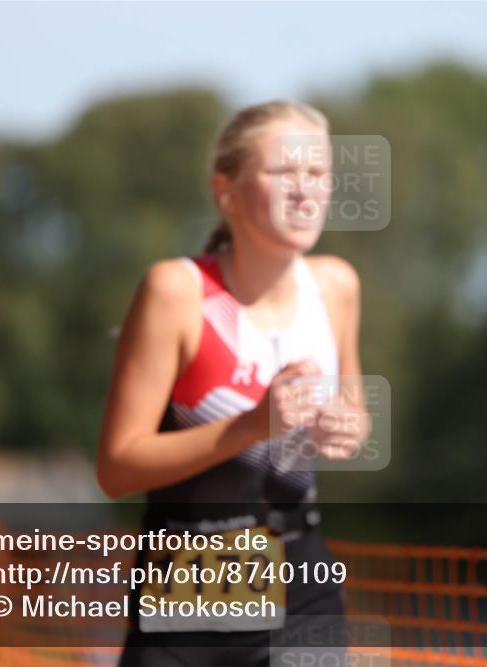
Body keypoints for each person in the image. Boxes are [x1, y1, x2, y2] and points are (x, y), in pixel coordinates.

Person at [96, 99, 370, 666]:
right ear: (227, 192)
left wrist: (345, 429)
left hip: (303, 571)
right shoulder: (176, 291)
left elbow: (357, 418)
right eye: (283, 172)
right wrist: (253, 424)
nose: (305, 191)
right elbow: (116, 468)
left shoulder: (338, 286)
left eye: (317, 173)